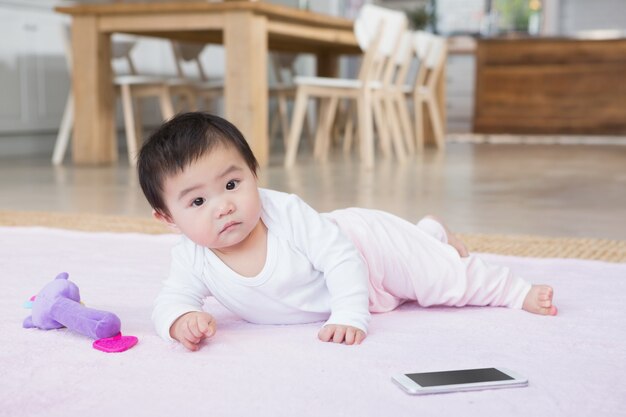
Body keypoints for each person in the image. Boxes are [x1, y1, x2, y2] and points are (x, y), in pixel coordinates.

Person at [137, 112, 557, 352]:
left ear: (253, 173)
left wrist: (350, 314)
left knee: (442, 279)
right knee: (423, 258)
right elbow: (170, 300)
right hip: (356, 273)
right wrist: (180, 320)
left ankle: (513, 290)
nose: (223, 206)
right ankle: (431, 232)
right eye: (197, 202)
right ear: (167, 218)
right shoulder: (191, 257)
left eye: (232, 185)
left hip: (368, 247)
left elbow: (341, 258)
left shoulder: (286, 214)